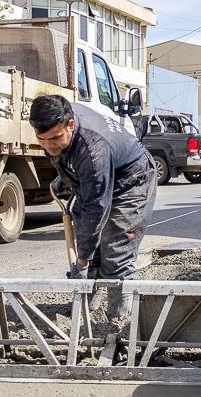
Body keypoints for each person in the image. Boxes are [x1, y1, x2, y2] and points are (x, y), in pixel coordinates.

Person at [29, 95, 157, 315]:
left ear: (70, 125)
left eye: (55, 138)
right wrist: (66, 177)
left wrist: (81, 261)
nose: (49, 146)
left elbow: (95, 209)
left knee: (116, 252)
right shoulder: (58, 124)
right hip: (104, 170)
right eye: (43, 140)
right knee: (94, 252)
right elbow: (67, 156)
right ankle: (87, 312)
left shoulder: (93, 150)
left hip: (133, 180)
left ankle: (121, 321)